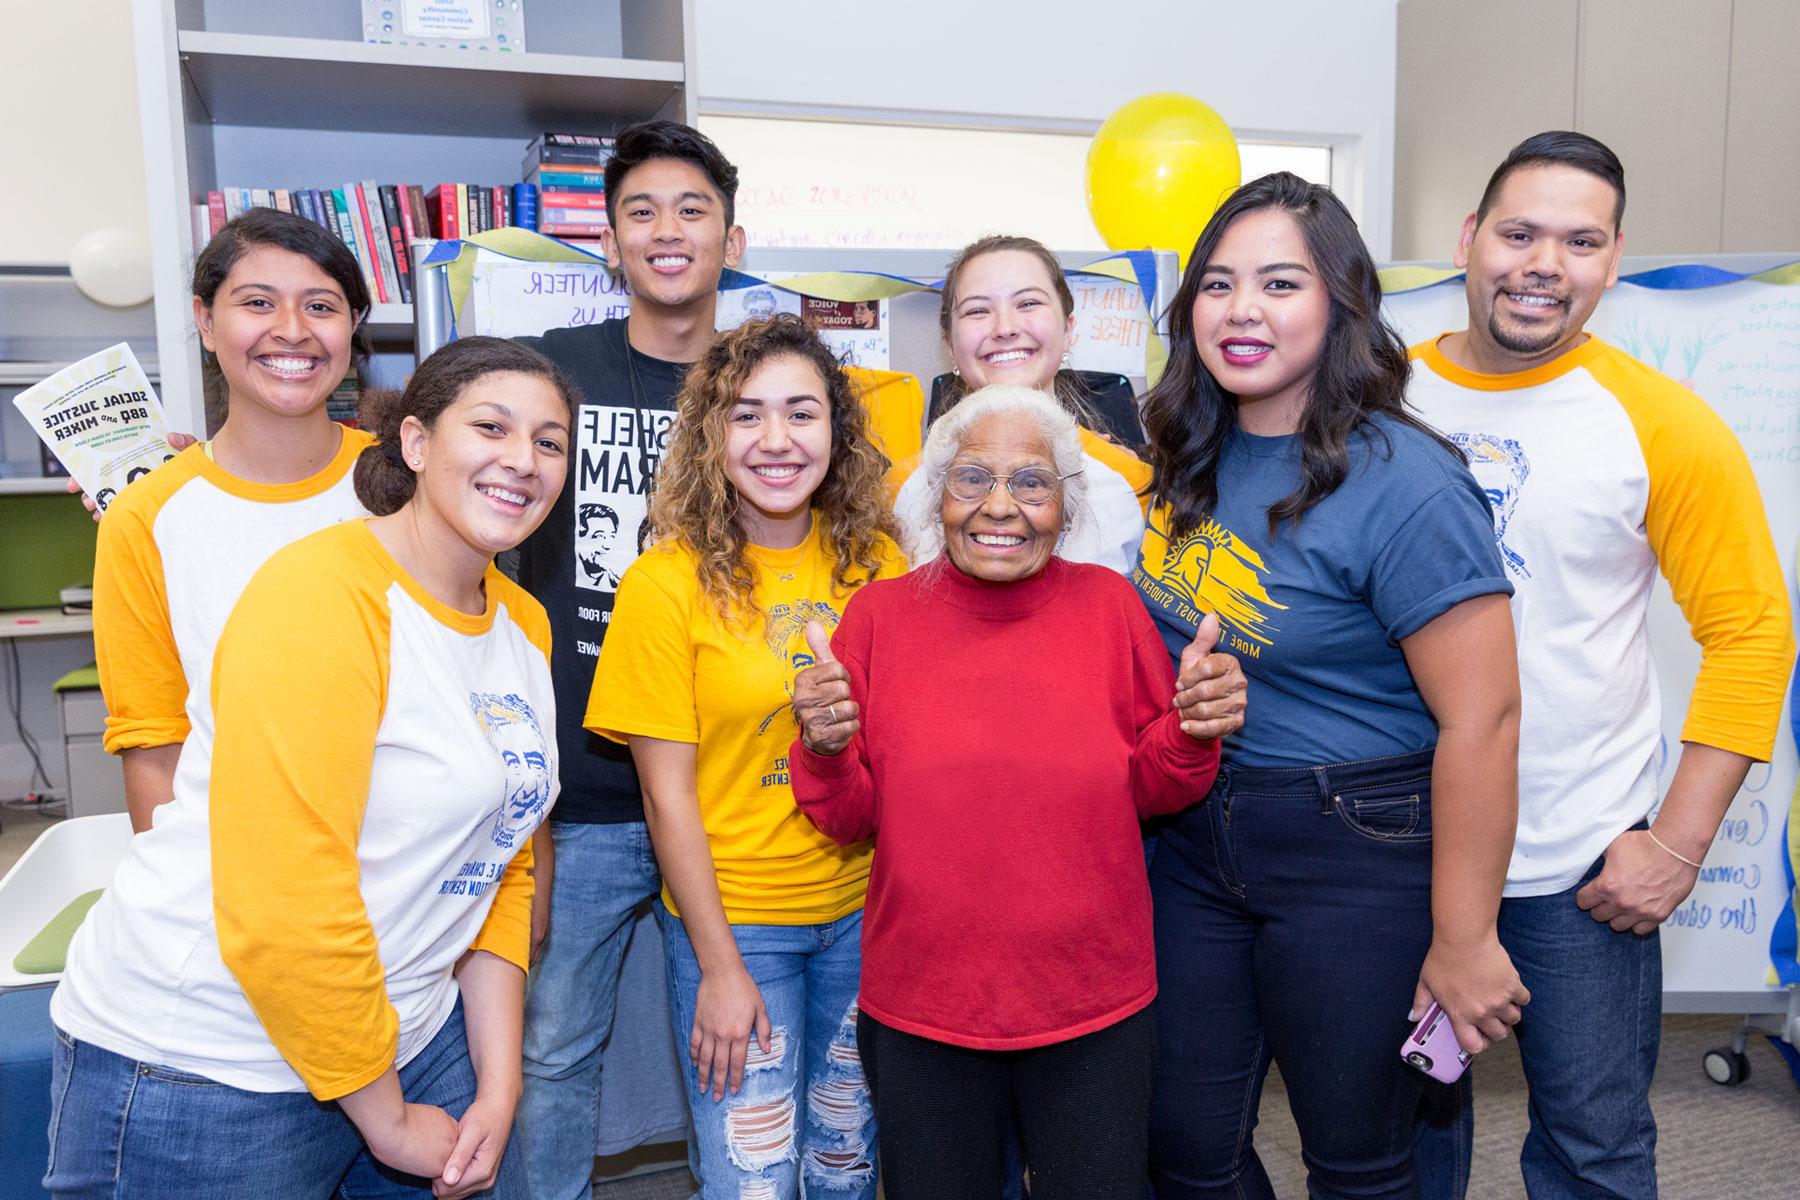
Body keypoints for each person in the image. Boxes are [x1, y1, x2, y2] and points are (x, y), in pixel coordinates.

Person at [47, 335, 577, 1198]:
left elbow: (504, 861)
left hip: (412, 1028)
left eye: (549, 442)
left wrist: (500, 1078)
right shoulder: (319, 599)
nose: (522, 460)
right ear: (413, 443)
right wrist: (390, 1121)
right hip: (208, 1065)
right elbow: (287, 896)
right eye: (491, 427)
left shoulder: (519, 621)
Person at [508, 121, 924, 1196]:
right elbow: (447, 458)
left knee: (836, 1124)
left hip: (803, 841)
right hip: (599, 790)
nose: (667, 230)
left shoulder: (867, 552)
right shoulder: (555, 376)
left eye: (691, 208)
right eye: (640, 210)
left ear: (731, 235)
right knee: (556, 1049)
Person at [1406, 131, 1795, 1200]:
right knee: (1397, 1143)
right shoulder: (1378, 401)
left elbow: (1754, 631)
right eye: (1520, 232)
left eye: (1579, 241)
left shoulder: (1661, 422)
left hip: (1577, 865)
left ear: (1614, 260)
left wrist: (1677, 844)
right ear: (1469, 239)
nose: (1544, 264)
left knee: (1594, 1149)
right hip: (1391, 846)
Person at [1133, 172, 1529, 1200]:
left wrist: (1464, 937)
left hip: (1358, 849)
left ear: (1341, 301)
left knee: (1355, 1162)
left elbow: (1484, 719)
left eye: (1279, 283)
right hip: (1194, 838)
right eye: (1217, 286)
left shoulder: (1404, 477)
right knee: (1181, 1144)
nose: (1242, 311)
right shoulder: (1191, 449)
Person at [787, 384, 1242, 1199]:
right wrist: (821, 749)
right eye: (972, 479)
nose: (1000, 507)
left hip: (1092, 1003)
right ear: (935, 496)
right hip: (923, 1004)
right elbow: (852, 817)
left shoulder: (1109, 607)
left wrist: (1193, 730)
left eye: (1031, 483)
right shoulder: (879, 617)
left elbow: (1152, 789)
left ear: (1066, 506)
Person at [586, 314, 902, 1198]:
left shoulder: (879, 564)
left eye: (802, 414)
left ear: (836, 433)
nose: (775, 441)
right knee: (751, 1179)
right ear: (710, 436)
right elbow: (665, 799)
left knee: (845, 1166)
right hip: (740, 928)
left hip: (865, 919)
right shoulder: (665, 583)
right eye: (747, 415)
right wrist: (719, 969)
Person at [89, 207, 374, 834]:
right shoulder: (145, 516)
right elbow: (155, 745)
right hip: (236, 869)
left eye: (322, 307)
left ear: (353, 327)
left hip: (417, 870)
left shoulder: (407, 484)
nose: (293, 331)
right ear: (206, 321)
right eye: (258, 303)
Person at [888, 234, 1154, 573]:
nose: (1005, 327)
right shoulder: (901, 487)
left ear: (1069, 329)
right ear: (950, 344)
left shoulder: (1134, 483)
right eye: (978, 310)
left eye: (1028, 304)